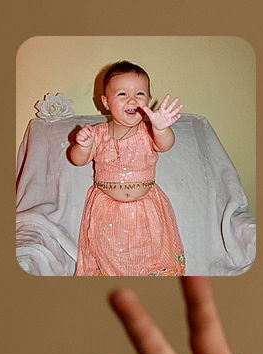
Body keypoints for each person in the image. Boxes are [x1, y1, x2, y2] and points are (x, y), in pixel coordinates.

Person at [67, 61, 186, 276]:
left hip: (147, 210)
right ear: (105, 102)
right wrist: (82, 146)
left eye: (140, 93)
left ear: (148, 100)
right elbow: (78, 160)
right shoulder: (98, 133)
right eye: (122, 94)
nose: (132, 99)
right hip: (107, 212)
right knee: (106, 256)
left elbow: (165, 145)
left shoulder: (149, 131)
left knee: (151, 255)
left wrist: (161, 129)